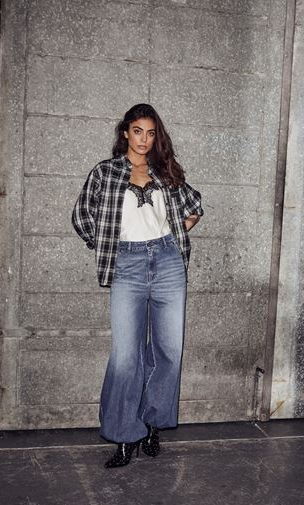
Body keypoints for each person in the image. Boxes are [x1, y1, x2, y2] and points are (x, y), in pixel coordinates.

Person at [71, 103, 204, 468]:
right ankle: (124, 436)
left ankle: (151, 425)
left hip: (167, 262)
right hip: (126, 265)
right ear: (125, 133)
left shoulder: (165, 172)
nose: (144, 139)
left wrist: (175, 235)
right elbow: (81, 215)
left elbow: (194, 206)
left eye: (150, 133)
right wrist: (108, 244)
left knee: (168, 352)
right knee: (126, 356)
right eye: (137, 131)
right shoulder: (105, 172)